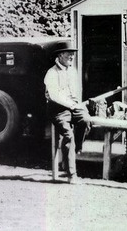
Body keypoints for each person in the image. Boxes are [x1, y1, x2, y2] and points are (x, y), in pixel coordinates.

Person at [44, 41, 91, 184]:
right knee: (68, 136)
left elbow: (76, 91)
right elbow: (54, 96)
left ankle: (72, 152)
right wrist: (71, 105)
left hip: (73, 107)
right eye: (69, 53)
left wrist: (78, 105)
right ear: (60, 55)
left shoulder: (72, 71)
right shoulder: (51, 73)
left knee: (86, 120)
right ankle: (72, 174)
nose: (72, 56)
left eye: (73, 54)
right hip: (58, 110)